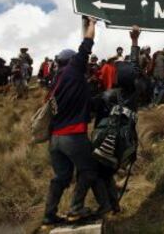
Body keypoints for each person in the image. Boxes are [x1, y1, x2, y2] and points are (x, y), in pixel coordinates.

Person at [43, 16, 110, 225]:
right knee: (89, 170)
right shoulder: (73, 70)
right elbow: (87, 45)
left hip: (55, 140)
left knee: (61, 177)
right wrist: (92, 23)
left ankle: (49, 215)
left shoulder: (55, 82)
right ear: (71, 62)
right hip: (73, 135)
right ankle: (76, 208)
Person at [92, 25, 141, 213]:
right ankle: (114, 206)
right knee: (108, 173)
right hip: (128, 145)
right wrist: (134, 41)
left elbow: (95, 120)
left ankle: (106, 206)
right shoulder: (135, 93)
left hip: (109, 145)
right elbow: (135, 67)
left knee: (97, 173)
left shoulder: (107, 96)